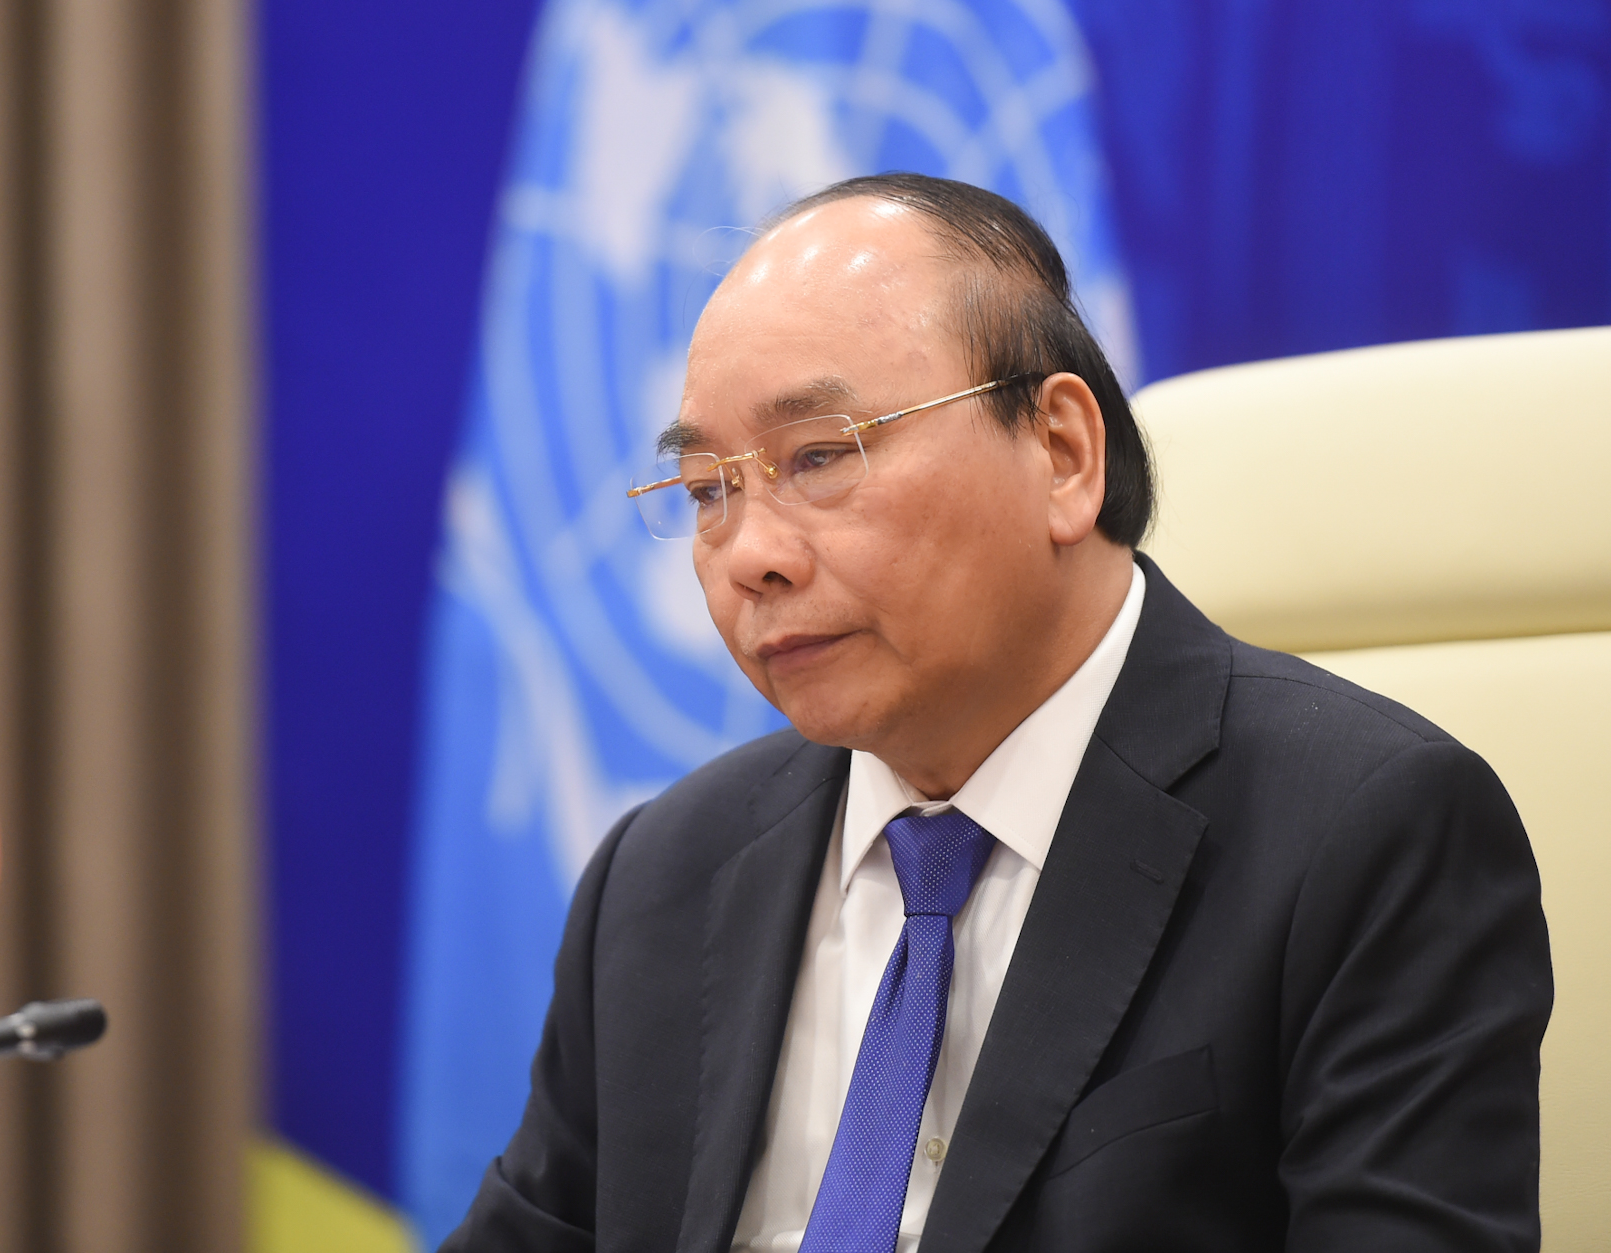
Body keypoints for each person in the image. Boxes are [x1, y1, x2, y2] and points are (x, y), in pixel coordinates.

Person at [442, 174, 1551, 1253]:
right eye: (706, 490)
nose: (750, 556)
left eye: (819, 456)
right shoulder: (663, 871)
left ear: (1061, 453)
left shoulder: (1363, 832)